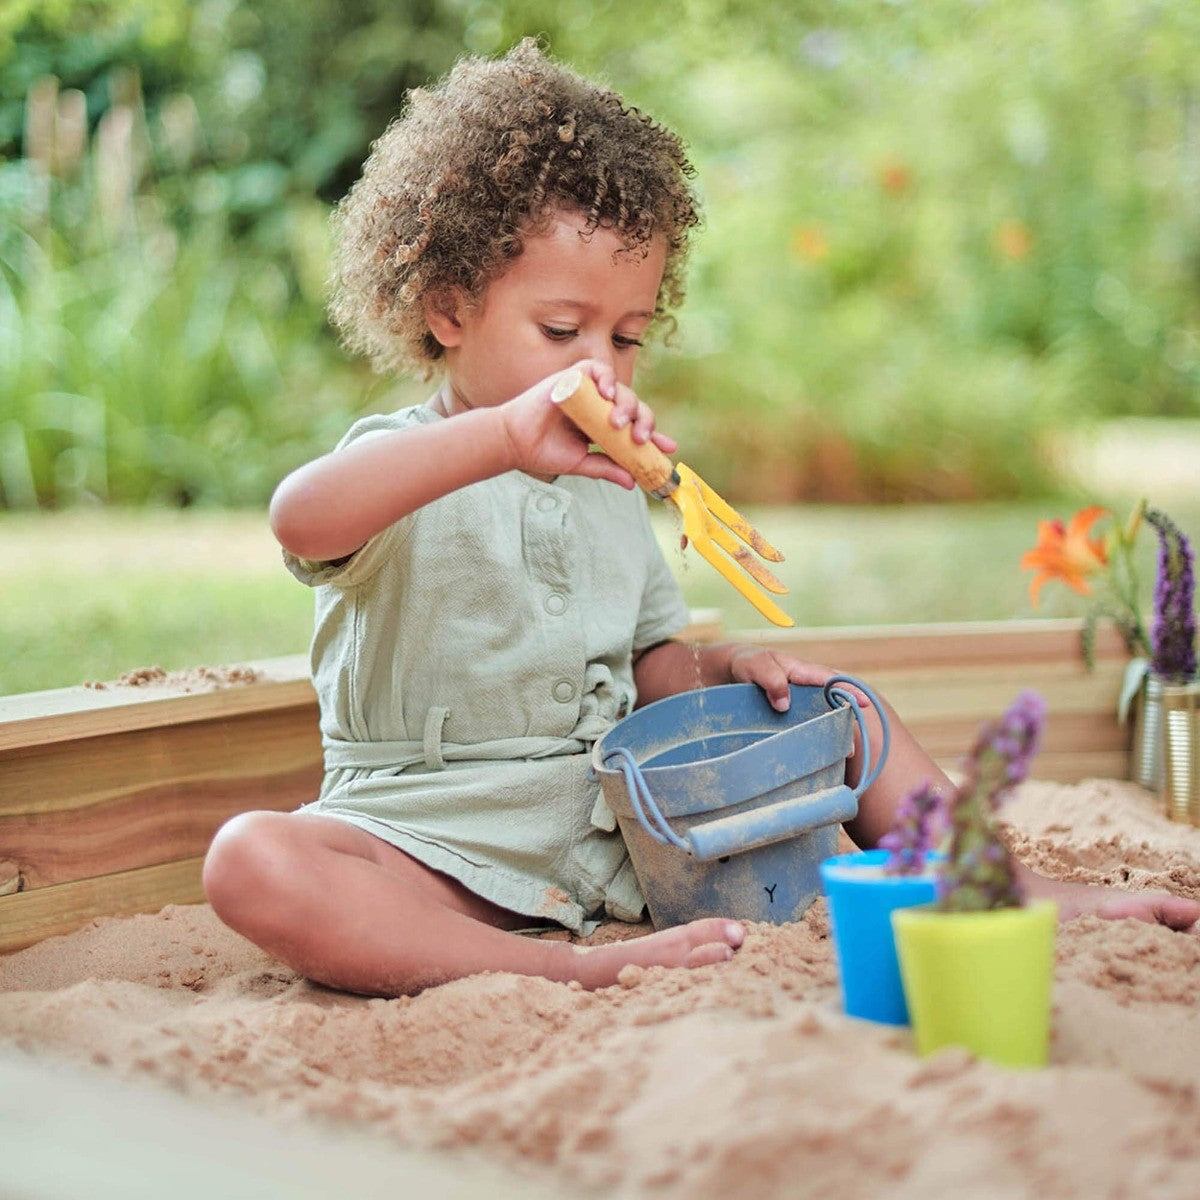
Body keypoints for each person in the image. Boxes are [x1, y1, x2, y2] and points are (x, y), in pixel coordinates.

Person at [203, 40, 1198, 998]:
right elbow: (302, 520)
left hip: (621, 831)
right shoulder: (404, 458)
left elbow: (651, 668)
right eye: (562, 330)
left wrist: (726, 670)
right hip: (428, 842)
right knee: (250, 859)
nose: (601, 365)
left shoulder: (610, 485)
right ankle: (554, 968)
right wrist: (503, 436)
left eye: (627, 336)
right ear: (449, 308)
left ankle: (990, 878)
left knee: (843, 705)